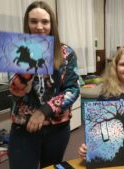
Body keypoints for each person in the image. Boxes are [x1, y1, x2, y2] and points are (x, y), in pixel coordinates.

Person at [8, 1, 80, 169]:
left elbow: (73, 89)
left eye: (45, 22)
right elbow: (15, 91)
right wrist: (30, 61)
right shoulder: (15, 49)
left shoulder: (66, 53)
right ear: (27, 23)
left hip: (57, 128)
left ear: (52, 24)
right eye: (33, 21)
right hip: (24, 127)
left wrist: (44, 111)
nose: (39, 27)